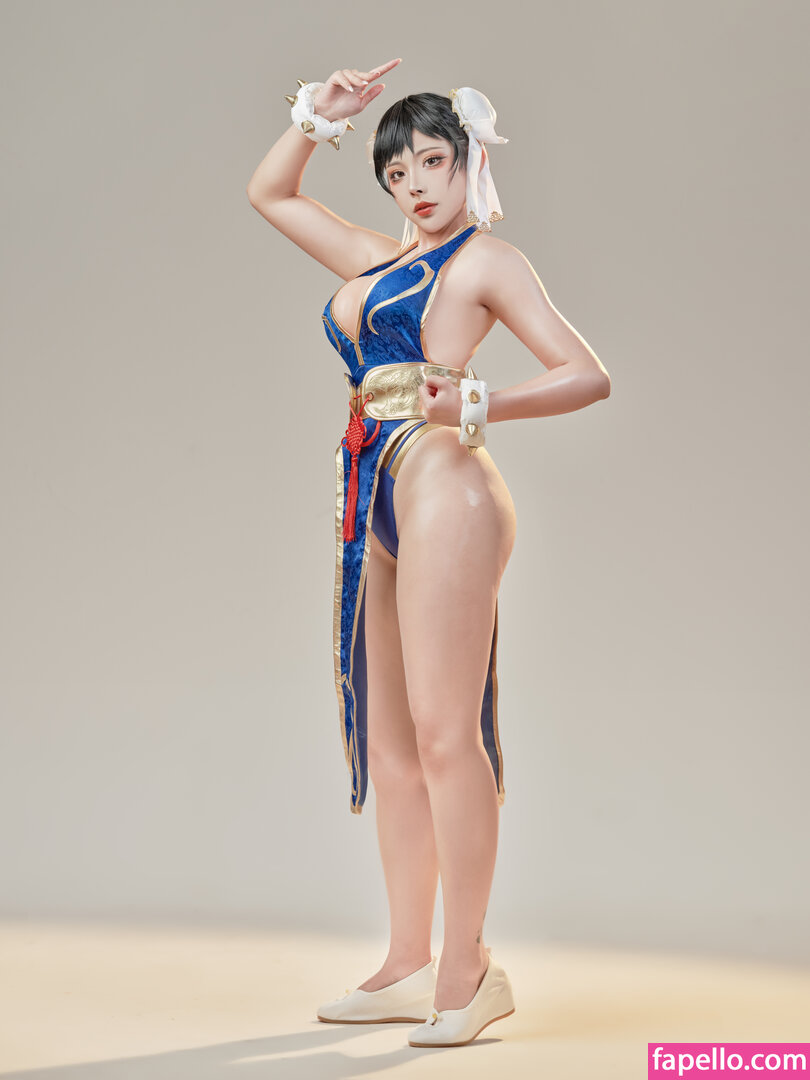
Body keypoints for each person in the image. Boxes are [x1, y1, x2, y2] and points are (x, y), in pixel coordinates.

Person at [246, 58, 611, 1048]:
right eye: (397, 169)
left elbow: (586, 374)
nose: (415, 183)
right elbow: (271, 194)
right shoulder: (376, 259)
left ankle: (469, 967)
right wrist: (315, 116)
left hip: (446, 486)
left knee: (449, 736)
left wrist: (479, 401)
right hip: (373, 491)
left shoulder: (488, 263)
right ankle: (409, 962)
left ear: (468, 161)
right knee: (394, 746)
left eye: (433, 161)